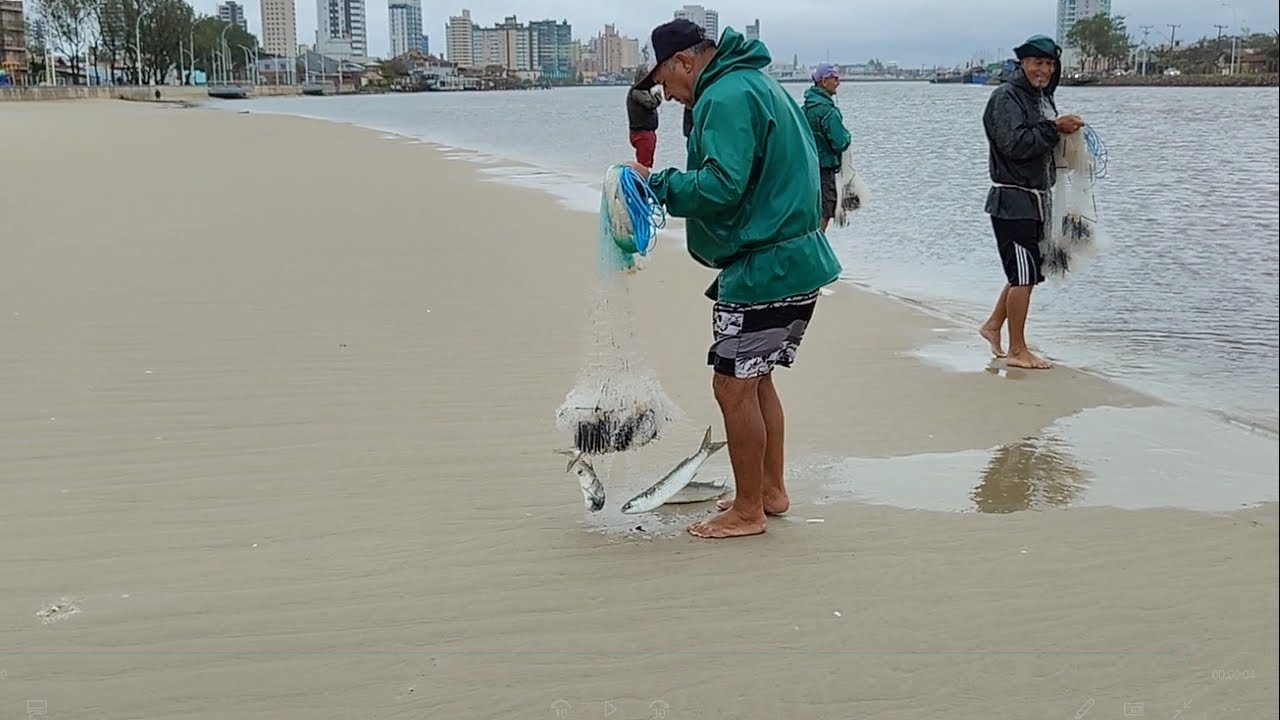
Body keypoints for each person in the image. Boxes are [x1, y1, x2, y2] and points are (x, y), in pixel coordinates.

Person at [628, 19, 842, 539]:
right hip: (794, 257)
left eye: (665, 83)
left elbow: (722, 185)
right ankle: (767, 490)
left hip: (767, 265)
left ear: (684, 61)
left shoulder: (724, 94)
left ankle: (748, 511)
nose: (670, 96)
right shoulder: (754, 81)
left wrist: (656, 186)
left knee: (732, 387)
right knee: (757, 375)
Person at [978, 34, 1083, 370]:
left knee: (1026, 270)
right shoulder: (1006, 97)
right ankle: (1017, 350)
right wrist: (1054, 128)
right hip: (1013, 200)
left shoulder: (1040, 98)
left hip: (1036, 200)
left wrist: (1061, 128)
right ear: (1021, 63)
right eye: (1037, 62)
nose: (1045, 70)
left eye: (1050, 64)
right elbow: (1014, 143)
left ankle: (993, 325)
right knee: (1023, 276)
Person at [801, 63, 852, 233]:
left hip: (806, 169)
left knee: (811, 209)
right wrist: (847, 137)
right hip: (824, 168)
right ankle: (817, 246)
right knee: (827, 209)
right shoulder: (829, 111)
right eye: (835, 79)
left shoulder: (804, 109)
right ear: (824, 81)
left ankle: (810, 243)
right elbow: (840, 141)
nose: (838, 83)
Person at [626, 85, 662, 168]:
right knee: (643, 164)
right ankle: (640, 179)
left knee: (646, 163)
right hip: (642, 132)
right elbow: (651, 103)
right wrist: (657, 96)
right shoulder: (638, 91)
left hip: (644, 131)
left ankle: (641, 178)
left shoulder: (641, 91)